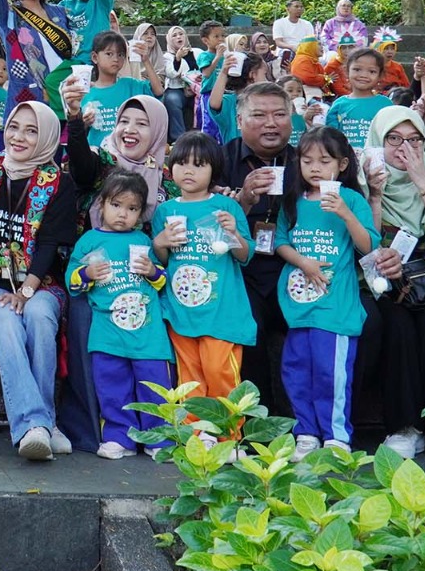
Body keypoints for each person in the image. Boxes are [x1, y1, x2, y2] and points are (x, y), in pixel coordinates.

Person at [0, 102, 79, 460]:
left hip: (42, 282)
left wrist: (27, 289)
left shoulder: (58, 183)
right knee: (7, 321)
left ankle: (44, 424)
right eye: (13, 127)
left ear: (47, 137)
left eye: (31, 130)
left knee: (38, 317)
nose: (18, 137)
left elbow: (52, 243)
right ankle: (35, 426)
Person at [363, 106, 425, 464]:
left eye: (414, 139)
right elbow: (365, 240)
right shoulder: (363, 178)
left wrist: (424, 185)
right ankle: (404, 428)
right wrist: (375, 196)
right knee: (397, 327)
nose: (404, 148)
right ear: (378, 140)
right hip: (380, 283)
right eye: (393, 139)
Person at [274, 126, 378, 459]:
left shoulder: (351, 200)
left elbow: (368, 246)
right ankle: (306, 432)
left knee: (330, 373)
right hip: (297, 304)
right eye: (307, 161)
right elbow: (279, 242)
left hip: (335, 308)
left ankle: (335, 436)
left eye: (324, 160)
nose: (315, 168)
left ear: (343, 164)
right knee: (296, 369)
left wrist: (345, 214)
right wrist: (303, 262)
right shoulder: (294, 201)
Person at [150, 132, 254, 440]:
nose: (189, 171)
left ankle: (228, 437)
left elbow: (245, 256)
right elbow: (161, 262)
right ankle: (197, 436)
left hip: (222, 312)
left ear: (214, 169)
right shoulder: (164, 211)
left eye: (199, 164)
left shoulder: (226, 208)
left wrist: (233, 233)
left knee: (219, 371)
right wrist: (160, 243)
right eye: (181, 163)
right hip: (182, 312)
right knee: (190, 376)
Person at [70, 172, 173, 459]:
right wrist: (87, 273)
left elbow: (164, 280)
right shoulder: (88, 241)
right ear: (101, 204)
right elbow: (72, 281)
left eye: (132, 209)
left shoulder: (143, 240)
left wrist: (152, 272)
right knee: (112, 387)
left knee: (155, 386)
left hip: (148, 332)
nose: (122, 214)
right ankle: (120, 437)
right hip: (107, 333)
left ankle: (159, 439)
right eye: (116, 205)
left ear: (141, 214)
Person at [221, 82, 299, 414]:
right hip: (240, 270)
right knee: (248, 322)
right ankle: (257, 422)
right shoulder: (219, 159)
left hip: (293, 266)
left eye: (279, 114)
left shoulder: (305, 160)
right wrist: (244, 201)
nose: (271, 123)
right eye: (259, 115)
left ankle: (306, 422)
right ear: (239, 120)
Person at [74, 31, 162, 148]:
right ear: (95, 57)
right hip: (96, 157)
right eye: (109, 54)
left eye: (120, 54)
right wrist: (84, 124)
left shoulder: (130, 85)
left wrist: (146, 60)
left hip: (127, 153)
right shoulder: (85, 93)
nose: (115, 59)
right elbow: (75, 132)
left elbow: (158, 91)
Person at [326, 48, 392, 151]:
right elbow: (331, 137)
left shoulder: (386, 105)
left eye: (372, 71)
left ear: (380, 76)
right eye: (357, 69)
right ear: (347, 71)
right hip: (347, 161)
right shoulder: (339, 104)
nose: (363, 75)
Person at [160, 26, 200, 141]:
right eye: (174, 35)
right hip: (177, 88)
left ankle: (200, 135)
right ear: (169, 39)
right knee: (172, 100)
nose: (178, 37)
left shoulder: (197, 52)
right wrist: (177, 58)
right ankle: (179, 138)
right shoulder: (167, 56)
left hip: (196, 89)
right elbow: (171, 73)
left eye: (181, 34)